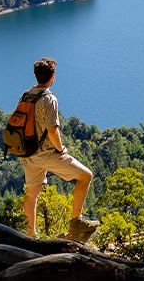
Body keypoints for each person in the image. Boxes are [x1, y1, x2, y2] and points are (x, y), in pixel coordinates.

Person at [20, 57, 99, 241]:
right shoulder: (49, 99)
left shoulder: (26, 95)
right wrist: (61, 148)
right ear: (52, 77)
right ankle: (76, 222)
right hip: (45, 154)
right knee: (86, 176)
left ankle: (31, 234)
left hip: (27, 153)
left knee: (31, 194)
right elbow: (52, 130)